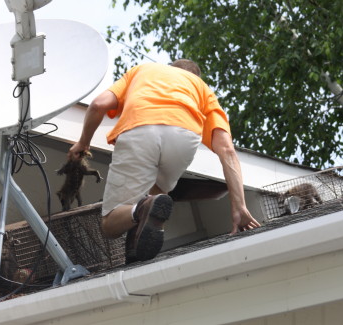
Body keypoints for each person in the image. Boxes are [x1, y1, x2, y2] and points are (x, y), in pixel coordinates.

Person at [68, 59, 260, 263]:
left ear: (170, 68)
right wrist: (239, 207)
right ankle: (137, 246)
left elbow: (98, 105)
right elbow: (227, 150)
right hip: (184, 137)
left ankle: (139, 209)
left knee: (109, 224)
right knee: (157, 193)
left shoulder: (142, 71)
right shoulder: (201, 89)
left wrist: (83, 143)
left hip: (141, 128)